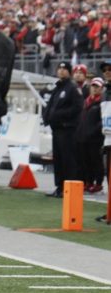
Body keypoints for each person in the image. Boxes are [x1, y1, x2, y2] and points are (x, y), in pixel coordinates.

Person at [42, 62, 84, 198]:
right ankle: (59, 186)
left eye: (64, 69)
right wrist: (47, 116)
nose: (61, 71)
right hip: (57, 129)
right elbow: (51, 106)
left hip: (67, 130)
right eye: (59, 68)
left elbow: (77, 108)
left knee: (68, 160)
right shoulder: (57, 87)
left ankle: (69, 188)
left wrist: (59, 115)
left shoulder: (72, 88)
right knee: (58, 159)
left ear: (69, 72)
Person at [76, 78, 105, 194]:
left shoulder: (102, 103)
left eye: (97, 86)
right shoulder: (86, 101)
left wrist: (94, 131)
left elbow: (102, 121)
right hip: (83, 137)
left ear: (102, 89)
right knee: (85, 160)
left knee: (96, 161)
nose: (94, 88)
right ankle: (88, 181)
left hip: (95, 138)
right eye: (93, 86)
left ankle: (98, 183)